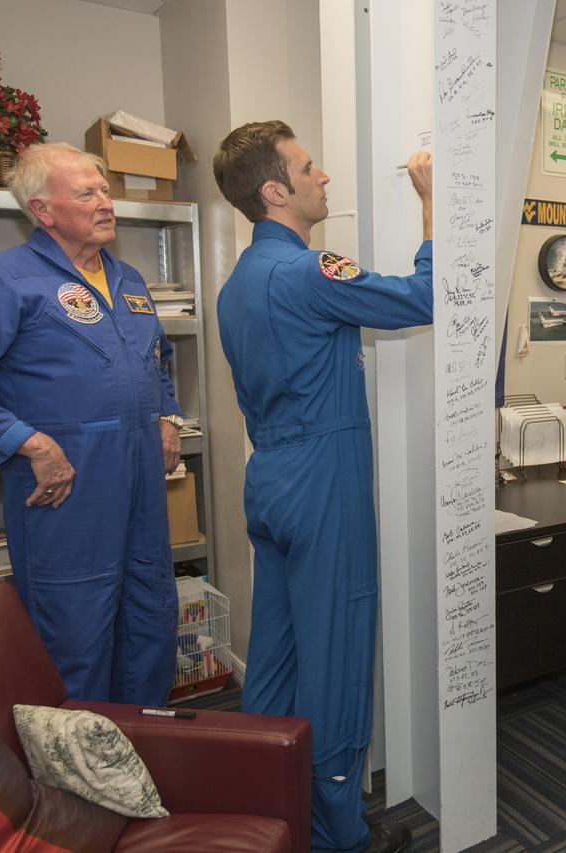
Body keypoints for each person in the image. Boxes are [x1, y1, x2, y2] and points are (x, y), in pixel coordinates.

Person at [213, 121, 433, 853]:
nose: (325, 177)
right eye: (311, 168)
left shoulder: (236, 285)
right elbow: (422, 297)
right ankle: (339, 834)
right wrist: (431, 204)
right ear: (276, 190)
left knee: (273, 658)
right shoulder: (307, 271)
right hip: (322, 477)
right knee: (337, 657)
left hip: (270, 475)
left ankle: (263, 810)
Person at [0, 143, 181, 705]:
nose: (105, 202)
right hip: (67, 492)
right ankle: (73, 784)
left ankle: (142, 765)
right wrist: (28, 442)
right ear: (42, 210)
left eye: (105, 190)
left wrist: (166, 415)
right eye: (87, 192)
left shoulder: (130, 278)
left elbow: (158, 358)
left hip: (141, 489)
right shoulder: (3, 280)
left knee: (149, 624)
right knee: (75, 640)